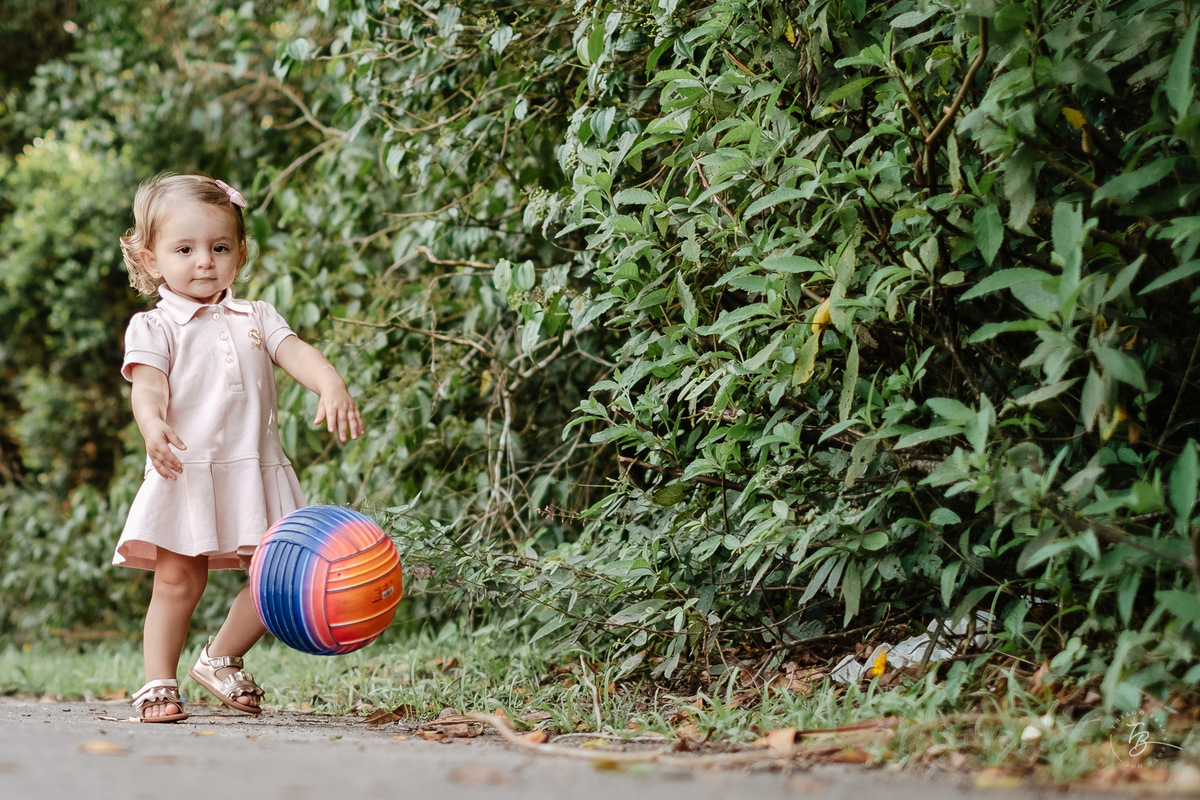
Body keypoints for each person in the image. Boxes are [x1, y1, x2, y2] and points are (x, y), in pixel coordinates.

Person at [115, 173, 365, 722]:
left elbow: (298, 353)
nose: (204, 261)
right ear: (150, 257)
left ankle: (220, 656)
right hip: (186, 468)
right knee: (179, 579)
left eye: (219, 247)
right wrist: (153, 427)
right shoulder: (155, 326)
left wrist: (330, 383)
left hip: (254, 469)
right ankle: (158, 681)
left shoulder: (258, 316)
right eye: (185, 249)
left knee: (277, 575)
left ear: (240, 253)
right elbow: (149, 387)